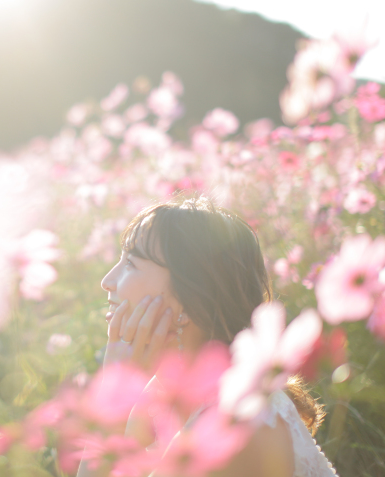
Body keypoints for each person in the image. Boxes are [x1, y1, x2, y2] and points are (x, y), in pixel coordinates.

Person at [78, 195, 337, 477]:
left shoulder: (234, 420)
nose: (107, 281)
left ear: (189, 299)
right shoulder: (160, 394)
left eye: (131, 264)